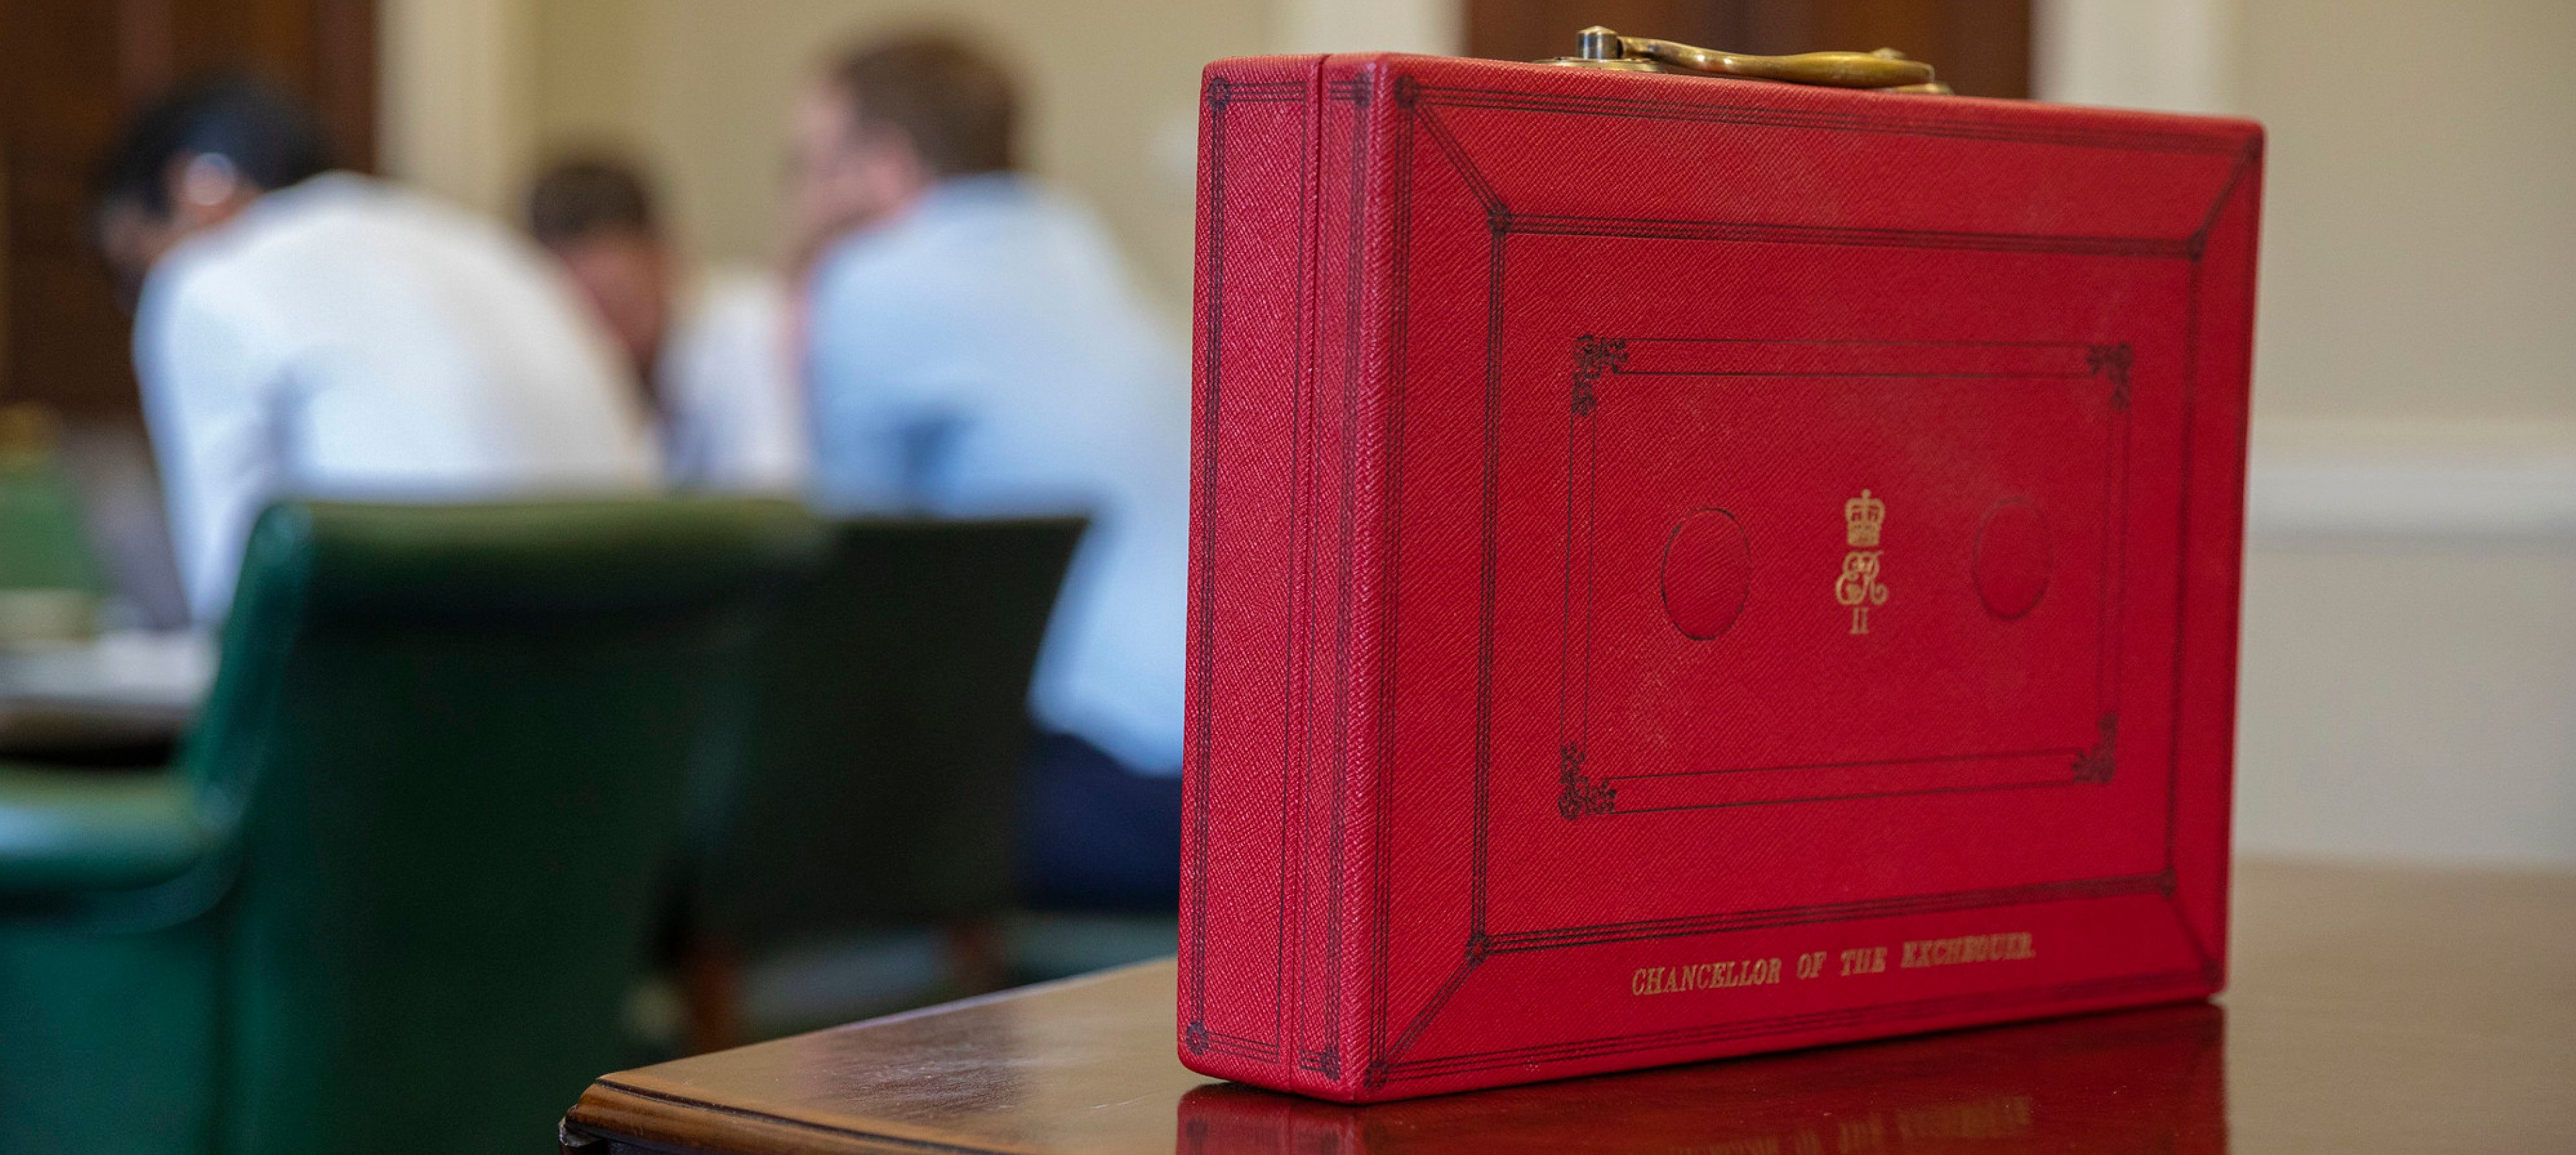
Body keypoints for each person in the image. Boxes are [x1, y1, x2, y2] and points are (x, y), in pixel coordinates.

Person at [790, 34, 1189, 911]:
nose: (801, 204)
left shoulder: (869, 280)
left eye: (810, 168)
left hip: (1110, 787)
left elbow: (849, 590)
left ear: (884, 167)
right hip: (1234, 786)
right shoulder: (1089, 256)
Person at [93, 78, 657, 623]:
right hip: (633, 690)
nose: (140, 299)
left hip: (424, 693)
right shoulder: (497, 254)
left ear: (195, 192)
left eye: (132, 271)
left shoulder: (206, 280)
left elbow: (235, 607)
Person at [525, 157, 806, 493]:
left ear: (664, 259)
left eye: (616, 302)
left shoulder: (751, 330)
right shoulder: (560, 376)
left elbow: (772, 502)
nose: (601, 337)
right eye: (575, 315)